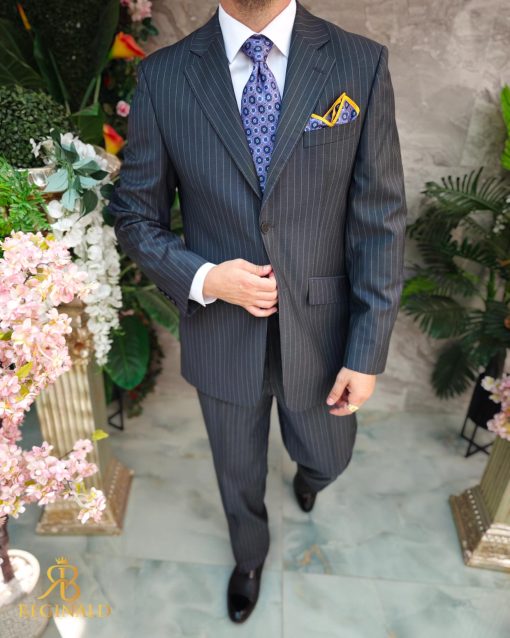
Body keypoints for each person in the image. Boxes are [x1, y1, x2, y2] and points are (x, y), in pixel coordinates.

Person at [108, 0, 407, 624]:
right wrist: (206, 278)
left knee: (329, 454)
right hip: (221, 330)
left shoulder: (358, 63)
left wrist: (367, 349)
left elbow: (379, 220)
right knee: (236, 469)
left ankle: (311, 477)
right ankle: (249, 556)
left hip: (323, 329)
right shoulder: (164, 76)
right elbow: (134, 215)